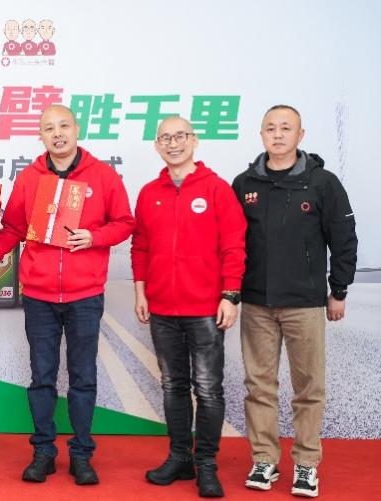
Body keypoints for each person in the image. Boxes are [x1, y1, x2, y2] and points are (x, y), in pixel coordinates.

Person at [0, 104, 135, 485]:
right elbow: (13, 228)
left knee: (83, 377)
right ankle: (44, 452)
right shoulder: (30, 178)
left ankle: (81, 454)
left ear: (77, 129)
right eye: (49, 128)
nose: (58, 133)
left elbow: (125, 223)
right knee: (42, 377)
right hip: (40, 295)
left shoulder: (103, 176)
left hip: (85, 295)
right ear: (41, 136)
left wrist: (95, 237)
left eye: (64, 125)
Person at [232, 105, 357, 498]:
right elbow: (232, 243)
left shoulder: (323, 183)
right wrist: (231, 292)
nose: (278, 134)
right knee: (259, 386)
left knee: (308, 387)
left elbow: (344, 240)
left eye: (286, 128)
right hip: (256, 304)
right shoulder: (244, 184)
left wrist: (338, 291)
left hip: (305, 304)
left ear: (300, 135)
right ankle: (264, 459)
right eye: (270, 128)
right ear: (261, 135)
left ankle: (306, 464)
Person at [131, 116, 246, 498]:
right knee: (173, 385)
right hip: (162, 309)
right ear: (157, 145)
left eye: (180, 136)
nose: (173, 143)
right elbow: (140, 246)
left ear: (193, 140)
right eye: (165, 138)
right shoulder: (150, 192)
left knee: (208, 389)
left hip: (205, 310)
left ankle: (206, 463)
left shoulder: (216, 189)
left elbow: (234, 245)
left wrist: (230, 295)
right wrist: (141, 292)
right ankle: (179, 456)